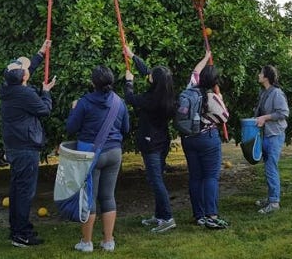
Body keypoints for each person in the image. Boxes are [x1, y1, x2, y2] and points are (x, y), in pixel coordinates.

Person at [66, 65, 130, 252]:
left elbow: (71, 127)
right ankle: (108, 241)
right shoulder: (119, 102)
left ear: (93, 83)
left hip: (89, 154)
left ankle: (86, 242)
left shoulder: (84, 103)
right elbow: (125, 128)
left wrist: (73, 109)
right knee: (108, 196)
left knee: (89, 198)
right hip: (114, 153)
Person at [0, 40, 55, 248]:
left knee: (16, 190)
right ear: (23, 77)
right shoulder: (24, 93)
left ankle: (17, 230)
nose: (26, 69)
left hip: (15, 146)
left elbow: (25, 70)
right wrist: (46, 91)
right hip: (25, 147)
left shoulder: (7, 87)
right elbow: (44, 110)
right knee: (24, 192)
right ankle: (21, 234)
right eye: (24, 69)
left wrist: (40, 53)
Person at [123, 45, 176, 233]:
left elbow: (130, 98)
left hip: (151, 143)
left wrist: (129, 82)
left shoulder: (151, 100)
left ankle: (168, 217)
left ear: (156, 81)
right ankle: (160, 215)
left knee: (155, 180)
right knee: (157, 177)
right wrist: (133, 56)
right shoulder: (166, 93)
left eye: (152, 75)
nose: (149, 75)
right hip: (162, 141)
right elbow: (148, 72)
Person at [180, 51, 229, 229]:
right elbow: (225, 118)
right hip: (207, 139)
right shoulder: (212, 98)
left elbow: (195, 71)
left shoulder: (190, 89)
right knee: (210, 177)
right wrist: (221, 100)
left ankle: (199, 215)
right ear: (214, 82)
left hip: (189, 139)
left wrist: (205, 57)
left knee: (195, 177)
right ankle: (211, 215)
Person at [254, 65, 289, 214]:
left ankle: (274, 202)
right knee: (268, 167)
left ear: (266, 77)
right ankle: (271, 197)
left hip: (275, 135)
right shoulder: (264, 92)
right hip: (267, 134)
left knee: (271, 167)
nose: (258, 75)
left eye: (261, 73)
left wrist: (265, 117)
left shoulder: (277, 93)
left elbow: (283, 113)